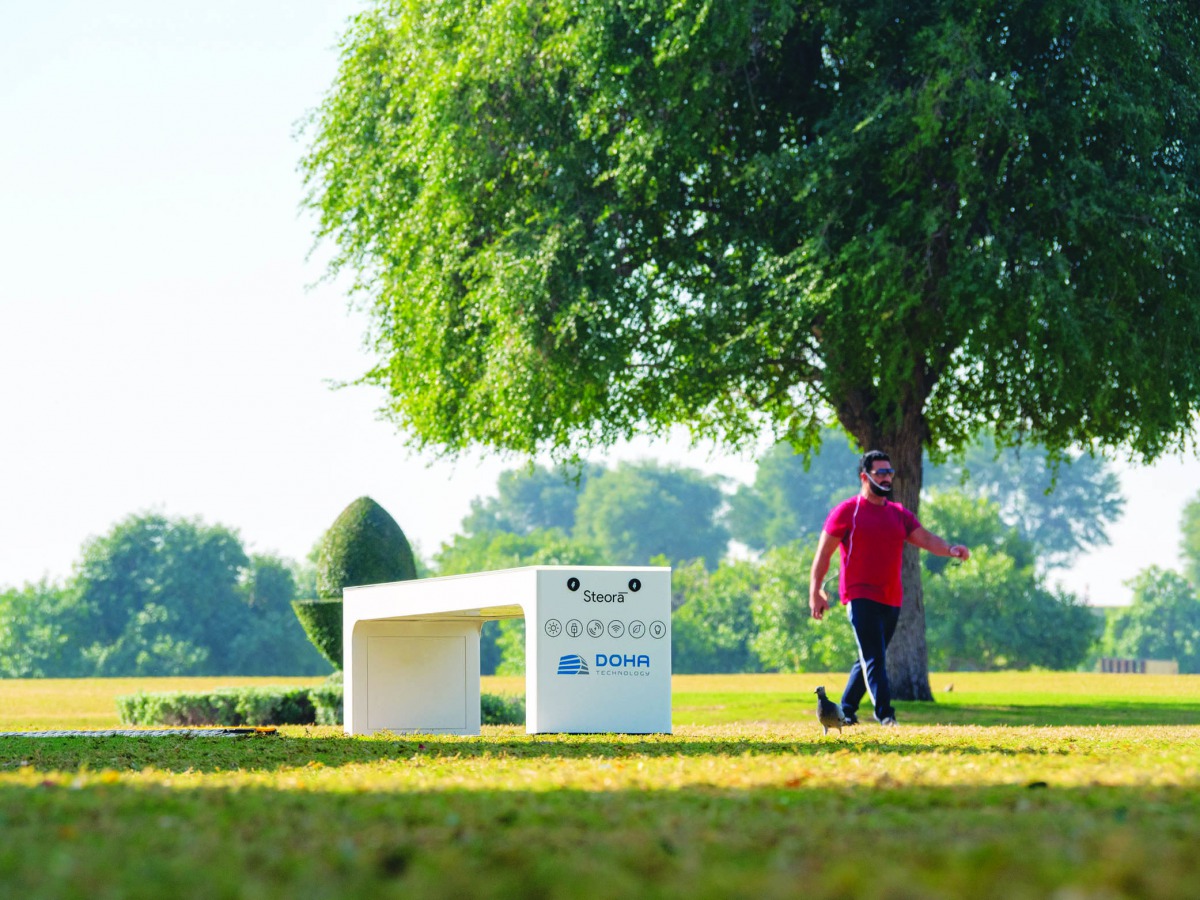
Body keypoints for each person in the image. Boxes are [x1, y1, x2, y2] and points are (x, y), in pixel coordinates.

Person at [808, 450, 970, 726]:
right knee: (874, 657)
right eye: (880, 472)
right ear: (864, 476)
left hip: (892, 598)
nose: (887, 478)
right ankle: (886, 715)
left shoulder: (898, 514)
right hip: (859, 595)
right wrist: (815, 591)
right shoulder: (848, 511)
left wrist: (950, 549)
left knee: (871, 657)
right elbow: (823, 554)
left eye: (890, 473)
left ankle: (846, 709)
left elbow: (925, 538)